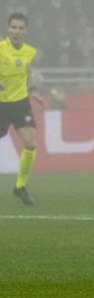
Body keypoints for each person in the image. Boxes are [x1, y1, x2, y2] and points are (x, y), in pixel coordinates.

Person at [0, 13, 43, 205]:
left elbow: (27, 73)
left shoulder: (30, 52)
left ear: (26, 31)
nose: (17, 31)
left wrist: (32, 89)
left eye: (21, 28)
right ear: (8, 29)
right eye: (14, 27)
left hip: (20, 102)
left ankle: (20, 186)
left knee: (31, 144)